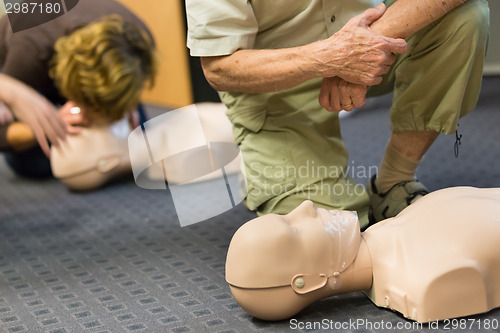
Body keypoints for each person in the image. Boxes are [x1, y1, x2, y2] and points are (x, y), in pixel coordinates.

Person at [185, 0, 490, 227]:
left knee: (466, 16)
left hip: (373, 43)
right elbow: (219, 69)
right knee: (339, 227)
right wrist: (329, 58)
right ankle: (264, 164)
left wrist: (360, 49)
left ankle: (393, 182)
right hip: (273, 84)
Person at [225, 187, 500, 322]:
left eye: (287, 215)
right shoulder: (427, 277)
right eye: (294, 230)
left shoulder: (402, 224)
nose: (305, 206)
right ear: (306, 282)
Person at [0, 0, 158, 179]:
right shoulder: (30, 50)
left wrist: (126, 103)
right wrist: (48, 125)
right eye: (91, 103)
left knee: (139, 134)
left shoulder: (140, 43)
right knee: (34, 164)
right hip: (28, 73)